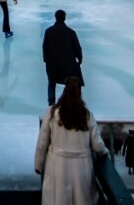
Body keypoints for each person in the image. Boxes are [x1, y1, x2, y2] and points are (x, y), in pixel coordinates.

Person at [34, 77, 107, 205]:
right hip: (82, 168)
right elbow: (97, 145)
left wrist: (38, 164)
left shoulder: (52, 112)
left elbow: (42, 141)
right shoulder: (87, 116)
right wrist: (104, 152)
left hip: (57, 165)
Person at [43, 9, 84, 106]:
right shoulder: (71, 32)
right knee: (69, 82)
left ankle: (51, 104)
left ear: (55, 17)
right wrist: (80, 59)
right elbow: (77, 47)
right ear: (65, 18)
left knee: (51, 82)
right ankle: (68, 102)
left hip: (52, 63)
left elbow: (45, 46)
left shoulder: (49, 31)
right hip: (67, 62)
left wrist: (45, 59)